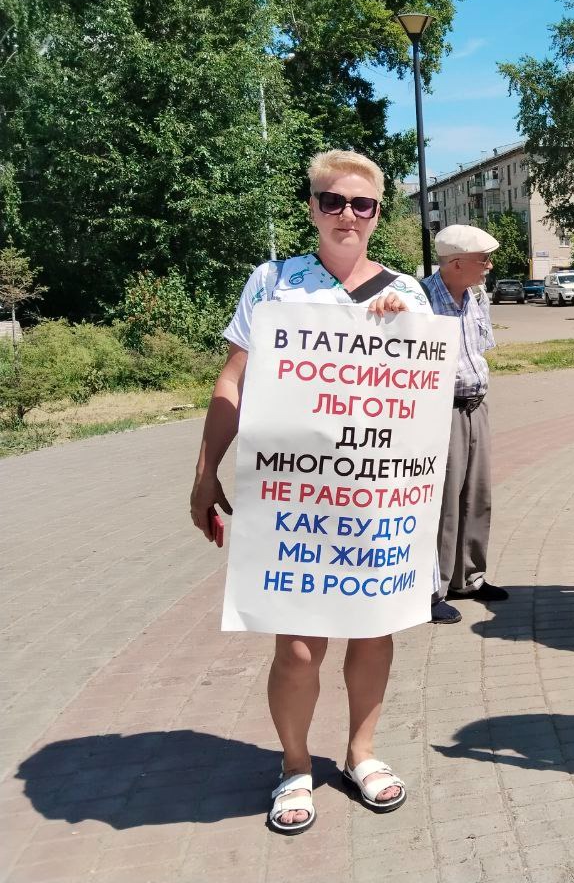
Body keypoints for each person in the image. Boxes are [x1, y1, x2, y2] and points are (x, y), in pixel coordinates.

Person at [189, 149, 431, 834]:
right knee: (298, 646)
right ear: (311, 207)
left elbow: (426, 398)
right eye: (333, 201)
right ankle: (295, 765)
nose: (347, 215)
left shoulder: (407, 293)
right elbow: (232, 382)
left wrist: (403, 331)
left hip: (377, 498)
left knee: (373, 629)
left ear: (380, 213)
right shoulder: (274, 284)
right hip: (293, 498)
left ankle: (361, 753)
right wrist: (206, 472)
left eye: (363, 204)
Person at [423, 225, 508, 624]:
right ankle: (432, 589)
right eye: (483, 260)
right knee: (443, 501)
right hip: (440, 411)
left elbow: (479, 350)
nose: (489, 266)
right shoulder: (420, 300)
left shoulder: (475, 297)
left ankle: (469, 578)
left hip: (477, 406)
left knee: (476, 495)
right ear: (456, 263)